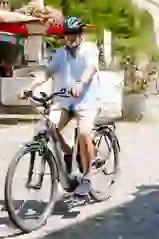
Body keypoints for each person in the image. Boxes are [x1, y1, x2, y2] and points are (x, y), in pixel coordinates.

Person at [20, 16, 100, 197]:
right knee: (48, 126)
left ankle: (88, 176)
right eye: (68, 34)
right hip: (64, 102)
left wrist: (80, 83)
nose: (70, 38)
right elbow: (46, 72)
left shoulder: (89, 50)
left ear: (80, 34)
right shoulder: (60, 54)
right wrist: (30, 87)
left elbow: (91, 69)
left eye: (74, 34)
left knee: (84, 133)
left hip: (86, 101)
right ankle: (69, 154)